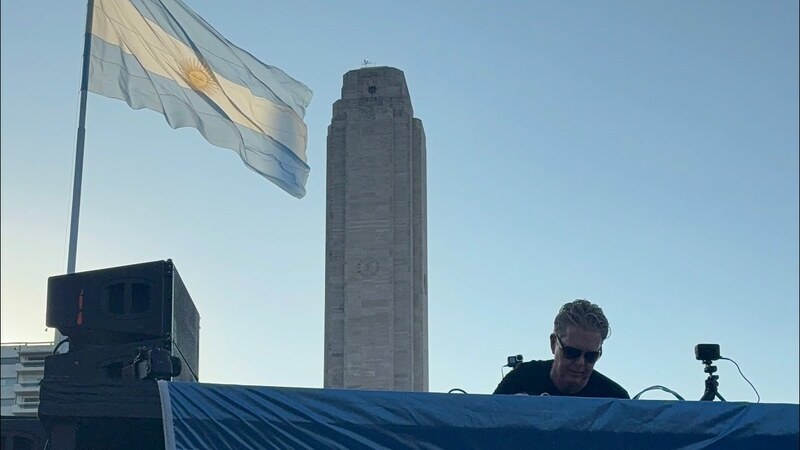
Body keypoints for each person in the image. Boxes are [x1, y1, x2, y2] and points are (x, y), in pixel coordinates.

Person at [493, 299, 629, 399]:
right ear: (553, 344)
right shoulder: (520, 380)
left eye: (590, 356)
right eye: (571, 352)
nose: (580, 363)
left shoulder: (615, 399)